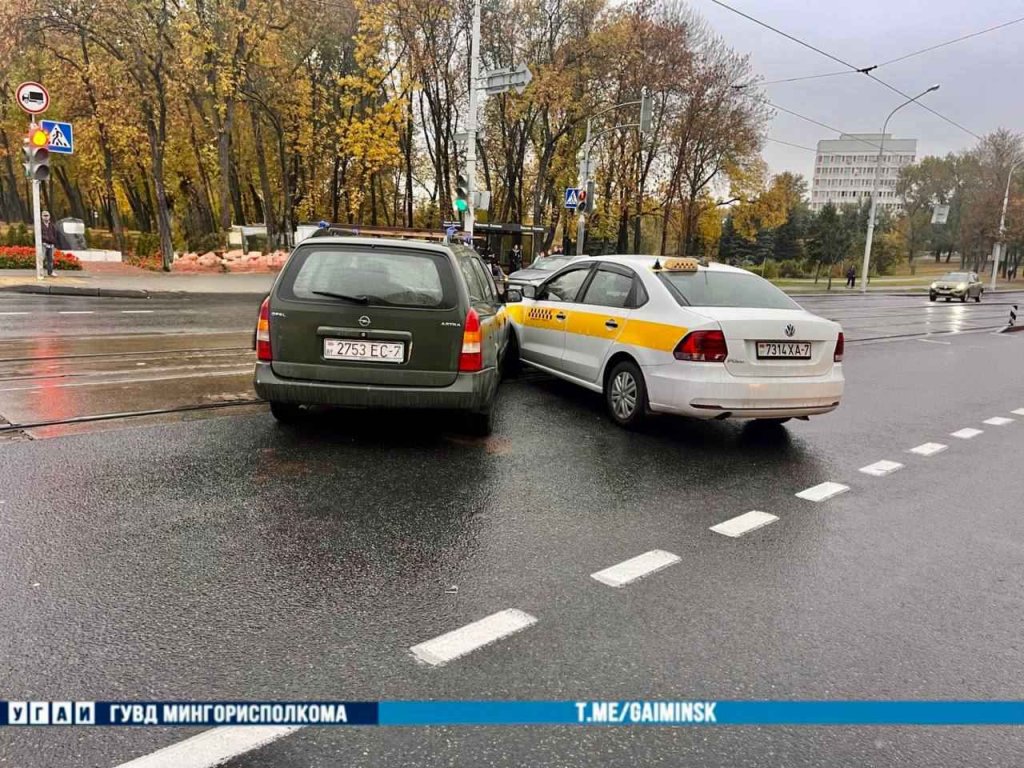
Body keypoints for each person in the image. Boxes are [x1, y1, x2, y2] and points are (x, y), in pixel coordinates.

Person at [40, 210, 58, 277]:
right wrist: (43, 241)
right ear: (42, 217)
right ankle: (40, 272)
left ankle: (50, 272)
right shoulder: (40, 225)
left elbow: (55, 234)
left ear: (49, 216)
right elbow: (39, 234)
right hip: (43, 244)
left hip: (51, 245)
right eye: (44, 215)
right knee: (42, 258)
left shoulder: (52, 225)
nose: (46, 217)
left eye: (47, 215)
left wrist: (54, 242)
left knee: (50, 259)